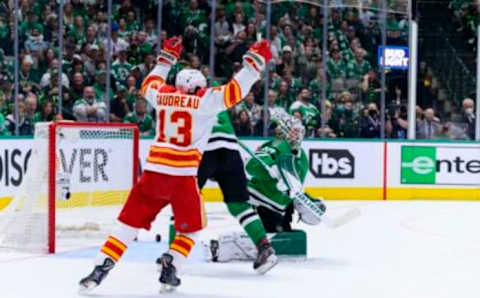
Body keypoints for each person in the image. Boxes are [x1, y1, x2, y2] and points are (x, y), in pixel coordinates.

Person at [79, 36, 272, 292]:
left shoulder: (163, 95)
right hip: (182, 176)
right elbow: (235, 90)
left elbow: (148, 84)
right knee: (192, 230)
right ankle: (173, 264)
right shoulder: (205, 101)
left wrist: (166, 59)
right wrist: (253, 65)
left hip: (153, 174)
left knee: (127, 225)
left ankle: (100, 266)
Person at [205, 110, 326, 262]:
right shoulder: (277, 145)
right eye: (293, 131)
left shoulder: (302, 157)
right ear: (284, 131)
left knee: (285, 235)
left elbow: (294, 188)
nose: (297, 135)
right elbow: (252, 166)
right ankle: (225, 247)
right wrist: (271, 170)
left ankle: (246, 243)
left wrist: (307, 201)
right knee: (271, 238)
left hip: (278, 206)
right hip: (261, 201)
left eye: (299, 131)